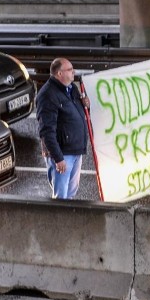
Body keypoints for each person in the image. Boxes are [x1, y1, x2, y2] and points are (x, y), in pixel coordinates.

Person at [36, 57, 91, 199]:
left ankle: (69, 220)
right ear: (59, 73)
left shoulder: (71, 88)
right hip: (62, 154)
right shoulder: (47, 95)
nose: (74, 72)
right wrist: (58, 157)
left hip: (74, 149)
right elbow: (46, 131)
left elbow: (76, 113)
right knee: (61, 197)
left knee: (70, 194)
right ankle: (59, 221)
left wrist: (85, 104)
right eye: (70, 70)